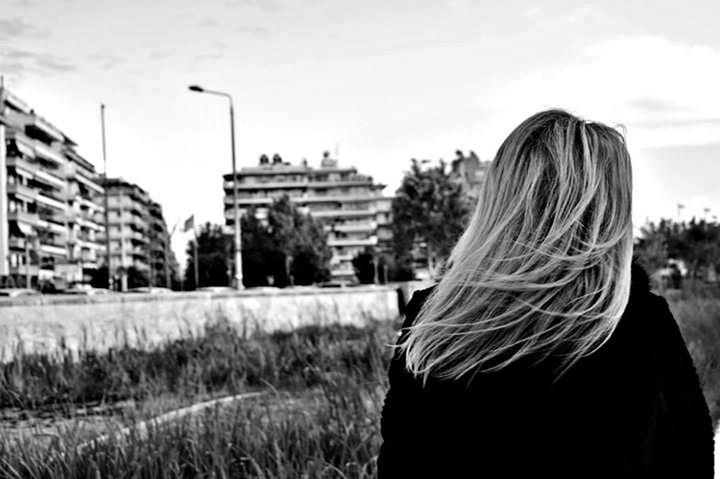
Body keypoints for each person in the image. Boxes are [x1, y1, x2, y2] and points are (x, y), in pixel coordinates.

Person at [377, 110, 714, 478]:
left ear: (500, 200)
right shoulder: (638, 324)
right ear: (609, 211)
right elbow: (689, 456)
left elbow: (398, 463)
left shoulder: (433, 321)